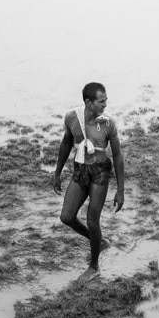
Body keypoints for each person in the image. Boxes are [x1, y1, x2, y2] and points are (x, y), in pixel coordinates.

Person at [52, 81, 125, 272]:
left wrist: (120, 190)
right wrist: (57, 173)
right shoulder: (72, 118)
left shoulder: (108, 123)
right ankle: (98, 241)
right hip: (80, 170)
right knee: (67, 217)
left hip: (100, 172)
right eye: (101, 101)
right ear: (88, 102)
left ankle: (94, 266)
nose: (105, 105)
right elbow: (66, 144)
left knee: (93, 220)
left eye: (106, 100)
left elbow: (117, 156)